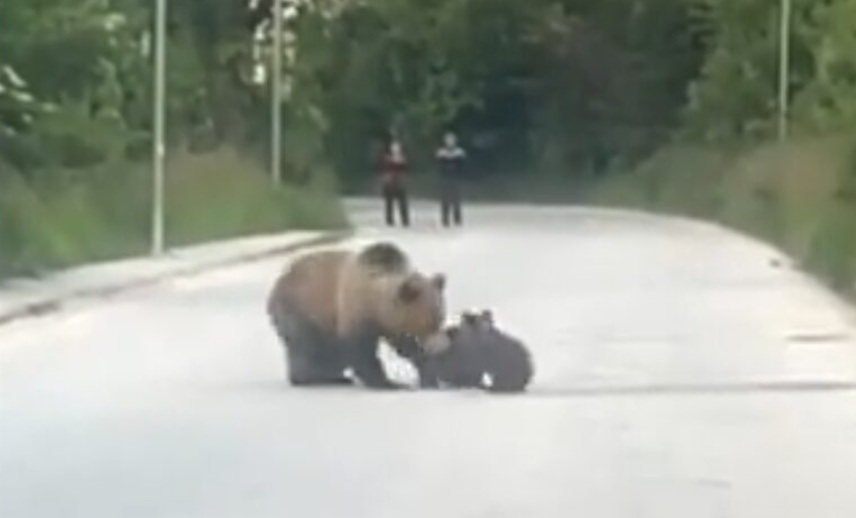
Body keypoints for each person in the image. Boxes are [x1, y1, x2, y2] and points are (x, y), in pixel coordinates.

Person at [435, 131, 467, 227]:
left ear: (455, 141)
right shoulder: (441, 152)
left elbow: (462, 166)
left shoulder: (459, 152)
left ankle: (457, 219)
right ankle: (445, 219)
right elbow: (439, 166)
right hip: (445, 178)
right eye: (448, 140)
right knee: (445, 200)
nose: (450, 142)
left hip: (455, 177)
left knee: (456, 199)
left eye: (451, 140)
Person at [378, 139, 410, 227]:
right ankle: (389, 220)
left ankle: (405, 220)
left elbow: (407, 168)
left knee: (403, 202)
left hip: (400, 182)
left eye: (397, 148)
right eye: (394, 148)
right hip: (390, 182)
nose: (396, 149)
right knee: (389, 202)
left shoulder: (403, 157)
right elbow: (383, 168)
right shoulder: (387, 157)